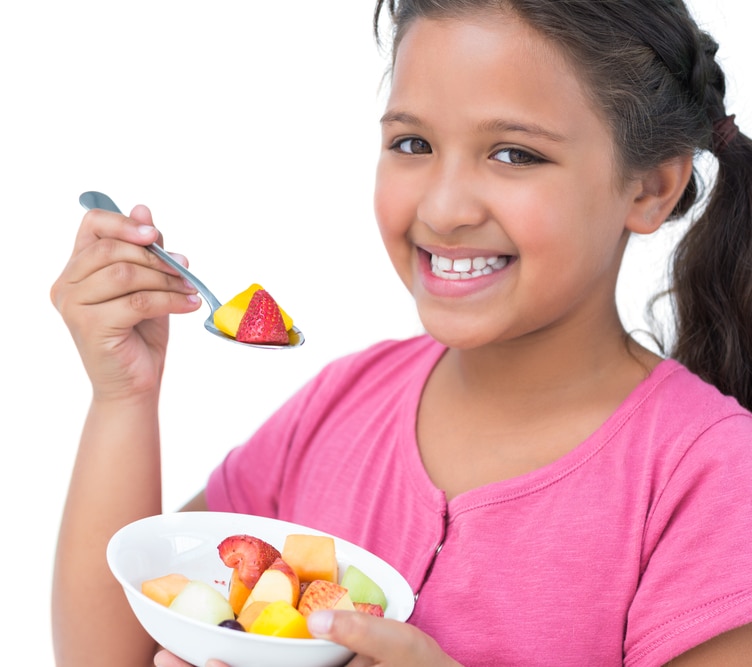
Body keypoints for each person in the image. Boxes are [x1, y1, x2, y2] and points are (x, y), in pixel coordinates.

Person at [49, 0, 752, 664]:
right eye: (412, 143)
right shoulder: (339, 405)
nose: (443, 209)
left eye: (514, 154)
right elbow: (124, 649)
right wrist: (124, 396)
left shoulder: (711, 475)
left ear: (650, 189)